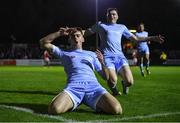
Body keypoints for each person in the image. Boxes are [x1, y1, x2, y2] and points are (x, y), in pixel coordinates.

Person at [40, 27, 122, 115]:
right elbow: (43, 42)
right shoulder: (63, 53)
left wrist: (102, 63)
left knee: (117, 110)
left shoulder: (92, 54)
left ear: (82, 39)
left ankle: (87, 101)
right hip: (74, 88)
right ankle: (76, 101)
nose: (75, 37)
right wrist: (60, 33)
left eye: (78, 35)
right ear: (69, 40)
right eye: (72, 36)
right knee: (54, 109)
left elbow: (106, 77)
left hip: (93, 88)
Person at [84, 8, 164, 95]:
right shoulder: (100, 25)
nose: (112, 16)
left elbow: (136, 39)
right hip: (107, 57)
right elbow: (87, 32)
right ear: (106, 16)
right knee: (112, 80)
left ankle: (124, 84)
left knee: (129, 82)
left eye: (114, 14)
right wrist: (72, 31)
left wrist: (152, 38)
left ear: (117, 16)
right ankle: (114, 89)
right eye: (109, 14)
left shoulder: (122, 27)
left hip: (120, 57)